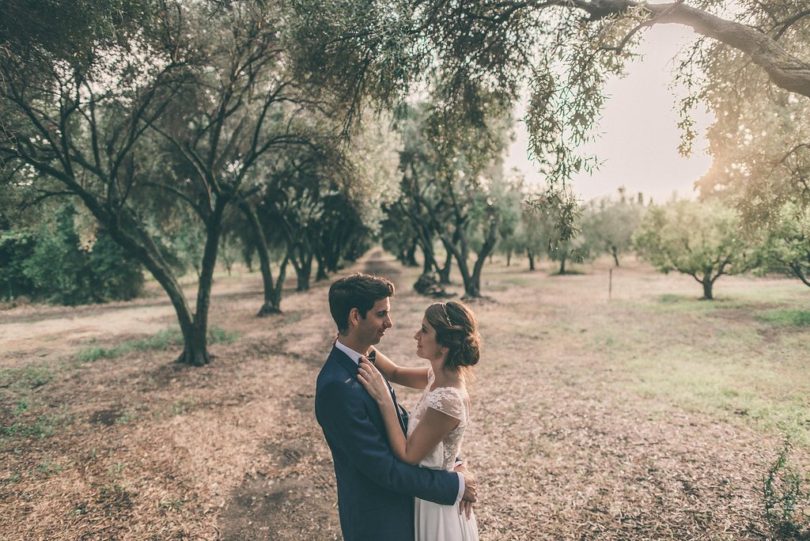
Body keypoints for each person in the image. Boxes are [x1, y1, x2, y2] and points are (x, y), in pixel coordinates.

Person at [315, 273, 477, 541]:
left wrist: (453, 460)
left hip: (413, 509)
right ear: (355, 317)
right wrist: (455, 485)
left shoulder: (364, 361)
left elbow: (418, 427)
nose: (390, 323)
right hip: (380, 522)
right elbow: (384, 469)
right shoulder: (336, 387)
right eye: (381, 314)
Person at [357, 300, 481, 541]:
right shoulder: (437, 376)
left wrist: (385, 399)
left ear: (444, 345)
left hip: (437, 505)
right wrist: (359, 343)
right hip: (424, 490)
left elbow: (408, 453)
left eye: (424, 330)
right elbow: (394, 372)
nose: (417, 335)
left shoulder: (448, 399)